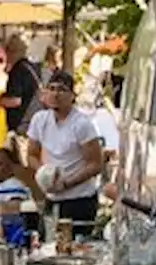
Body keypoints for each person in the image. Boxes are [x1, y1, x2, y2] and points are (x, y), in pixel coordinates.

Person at [26, 70, 104, 235]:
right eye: (52, 89)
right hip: (52, 198)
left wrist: (67, 183)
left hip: (79, 198)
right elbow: (31, 155)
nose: (56, 94)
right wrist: (44, 175)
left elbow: (96, 164)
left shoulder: (81, 124)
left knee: (76, 247)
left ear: (71, 96)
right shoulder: (40, 120)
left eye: (61, 90)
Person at [0, 35, 43, 145]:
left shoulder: (17, 71)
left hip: (22, 126)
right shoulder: (33, 68)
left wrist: (0, 100)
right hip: (36, 123)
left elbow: (15, 100)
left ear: (11, 52)